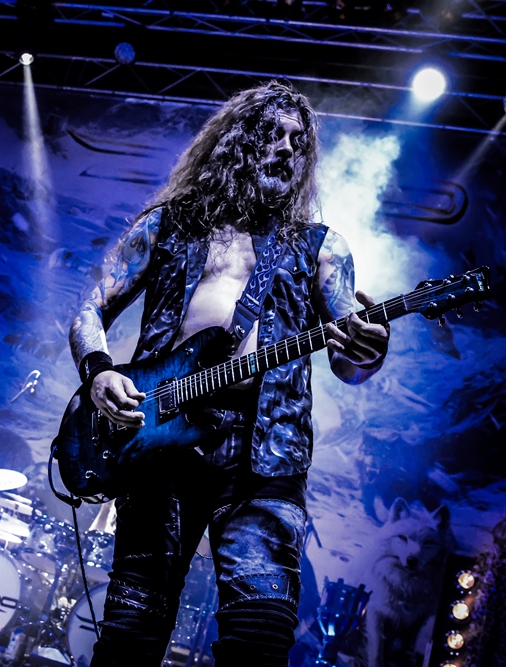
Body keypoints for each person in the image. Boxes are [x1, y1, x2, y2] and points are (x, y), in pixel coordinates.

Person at [67, 80, 390, 667]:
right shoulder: (168, 226)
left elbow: (348, 363)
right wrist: (98, 372)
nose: (287, 149)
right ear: (238, 141)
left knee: (260, 636)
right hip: (159, 442)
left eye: (298, 142)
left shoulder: (322, 248)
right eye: (273, 135)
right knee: (131, 631)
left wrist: (369, 349)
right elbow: (91, 310)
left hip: (267, 454)